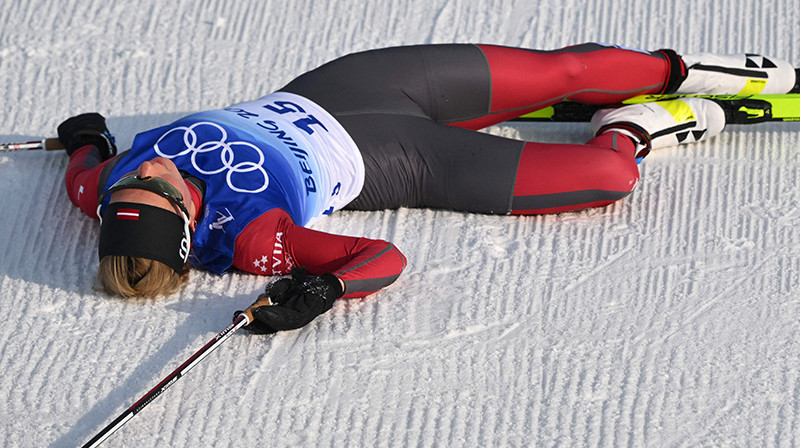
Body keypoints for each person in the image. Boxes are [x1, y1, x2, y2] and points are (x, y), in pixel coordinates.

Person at [59, 43, 798, 333]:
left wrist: (85, 137)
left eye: (137, 181)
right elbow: (377, 257)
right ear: (188, 229)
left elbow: (84, 164)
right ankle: (639, 125)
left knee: (563, 72)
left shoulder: (103, 190)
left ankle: (698, 70)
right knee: (607, 176)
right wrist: (321, 292)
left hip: (350, 85)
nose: (149, 170)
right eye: (161, 192)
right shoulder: (251, 239)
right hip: (400, 153)